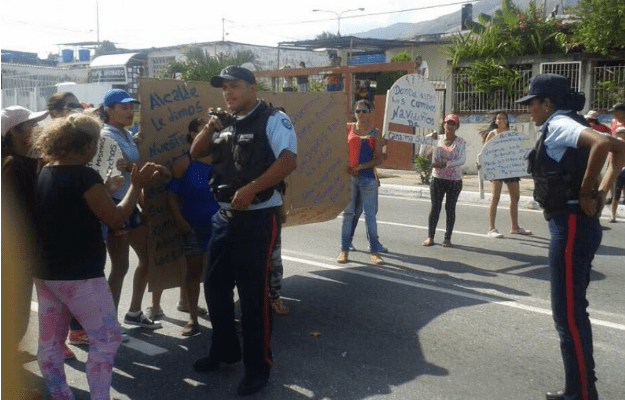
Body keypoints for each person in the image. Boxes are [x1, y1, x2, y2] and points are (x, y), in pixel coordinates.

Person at [32, 113, 158, 400]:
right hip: (80, 274)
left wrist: (106, 191)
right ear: (88, 146)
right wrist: (136, 185)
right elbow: (115, 218)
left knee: (50, 342)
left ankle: (61, 394)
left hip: (47, 272)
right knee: (107, 337)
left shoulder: (47, 170)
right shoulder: (85, 175)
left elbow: (70, 208)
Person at [189, 65, 297, 396]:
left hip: (257, 219)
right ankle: (224, 350)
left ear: (252, 87)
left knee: (253, 298)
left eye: (235, 86)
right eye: (225, 88)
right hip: (224, 218)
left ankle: (258, 367)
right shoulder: (224, 121)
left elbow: (288, 161)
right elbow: (196, 153)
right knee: (216, 288)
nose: (229, 93)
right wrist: (210, 126)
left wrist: (252, 188)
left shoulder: (273, 119)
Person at [517, 73, 625, 400]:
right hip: (575, 224)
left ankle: (581, 394)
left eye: (532, 103)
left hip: (571, 225)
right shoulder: (566, 122)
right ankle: (579, 388)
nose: (529, 109)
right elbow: (619, 149)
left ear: (547, 103)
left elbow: (605, 144)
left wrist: (586, 190)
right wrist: (602, 191)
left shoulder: (559, 123)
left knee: (568, 317)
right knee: (573, 313)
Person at [98, 89, 163, 330]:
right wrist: (139, 164)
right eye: (123, 107)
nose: (129, 111)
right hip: (115, 204)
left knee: (147, 258)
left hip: (131, 201)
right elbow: (125, 167)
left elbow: (130, 163)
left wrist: (134, 152)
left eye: (131, 107)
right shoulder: (106, 135)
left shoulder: (125, 133)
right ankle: (109, 323)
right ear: (109, 110)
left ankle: (134, 311)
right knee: (120, 266)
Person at [157, 117, 218, 336]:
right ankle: (193, 319)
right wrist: (179, 221)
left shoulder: (224, 158)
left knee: (220, 274)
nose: (213, 132)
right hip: (193, 225)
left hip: (220, 225)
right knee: (194, 274)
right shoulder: (184, 162)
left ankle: (224, 318)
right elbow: (171, 196)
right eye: (206, 129)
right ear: (193, 134)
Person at [1, 106, 52, 366]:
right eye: (31, 125)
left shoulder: (25, 162)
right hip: (15, 254)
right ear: (15, 132)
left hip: (24, 252)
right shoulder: (11, 168)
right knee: (14, 310)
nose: (37, 129)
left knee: (18, 310)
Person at [336, 100, 385, 265]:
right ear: (354, 112)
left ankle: (374, 252)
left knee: (370, 216)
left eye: (364, 110)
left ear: (370, 112)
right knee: (348, 214)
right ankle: (343, 250)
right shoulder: (348, 128)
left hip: (367, 178)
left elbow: (378, 158)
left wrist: (360, 166)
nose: (361, 114)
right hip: (349, 178)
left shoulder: (374, 133)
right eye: (358, 111)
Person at [478, 111, 532, 238]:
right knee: (495, 197)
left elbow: (524, 146)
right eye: (499, 119)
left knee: (515, 197)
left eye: (504, 118)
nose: (502, 120)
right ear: (495, 121)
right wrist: (481, 165)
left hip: (512, 169)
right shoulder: (493, 134)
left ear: (507, 120)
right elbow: (485, 152)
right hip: (497, 169)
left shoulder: (513, 132)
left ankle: (515, 227)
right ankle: (491, 229)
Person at [422, 114, 466, 248]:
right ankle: (430, 236)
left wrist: (446, 165)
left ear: (457, 126)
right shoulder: (436, 139)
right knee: (435, 207)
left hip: (454, 180)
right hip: (438, 178)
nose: (450, 126)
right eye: (448, 123)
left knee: (450, 208)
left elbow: (461, 159)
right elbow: (422, 153)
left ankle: (447, 238)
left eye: (453, 124)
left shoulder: (460, 141)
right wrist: (430, 139)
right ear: (444, 125)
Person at [609, 126, 625, 222]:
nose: (623, 133)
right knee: (616, 195)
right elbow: (612, 159)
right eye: (621, 132)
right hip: (619, 171)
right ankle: (613, 215)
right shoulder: (616, 144)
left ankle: (613, 215)